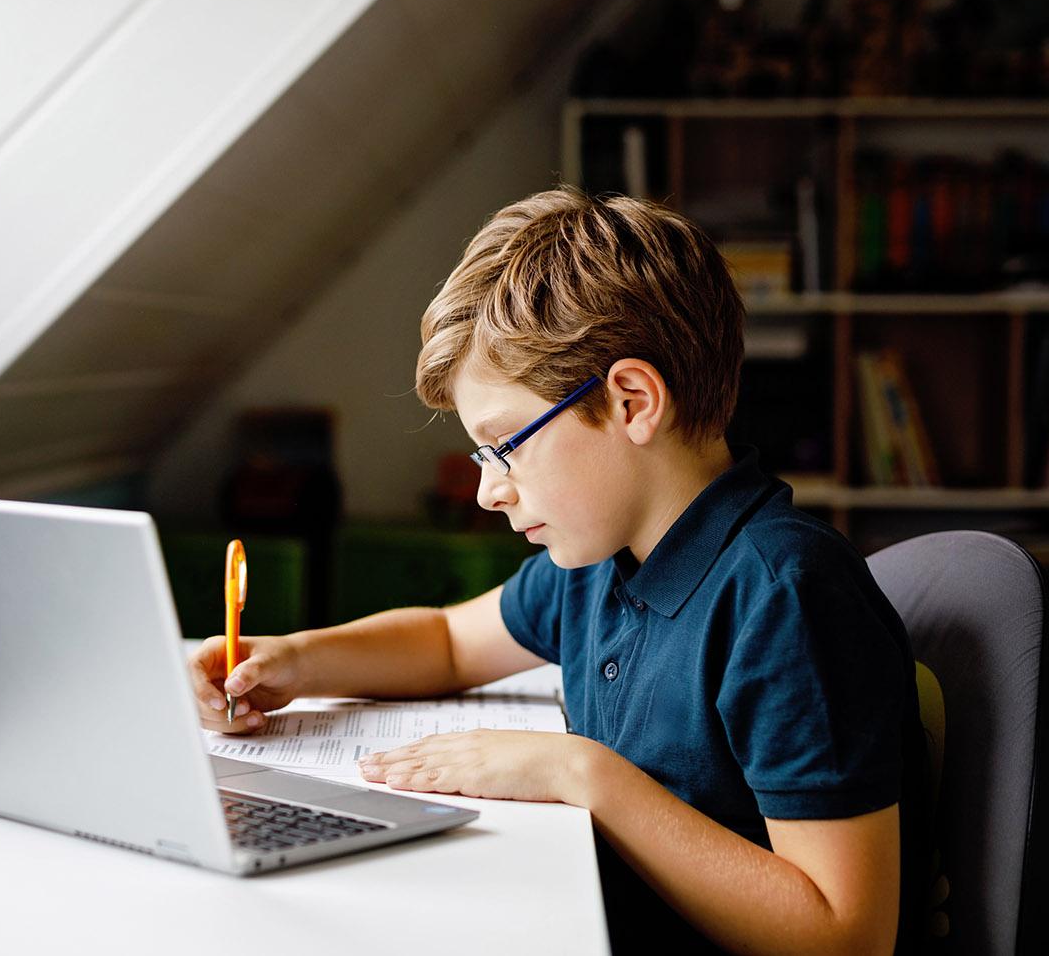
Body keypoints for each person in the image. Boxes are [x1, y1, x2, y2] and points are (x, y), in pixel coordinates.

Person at [187, 188, 928, 955]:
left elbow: (845, 935)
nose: (487, 488)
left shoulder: (784, 596)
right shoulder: (601, 556)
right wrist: (296, 660)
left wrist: (582, 773)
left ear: (633, 400)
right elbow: (446, 641)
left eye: (507, 443)